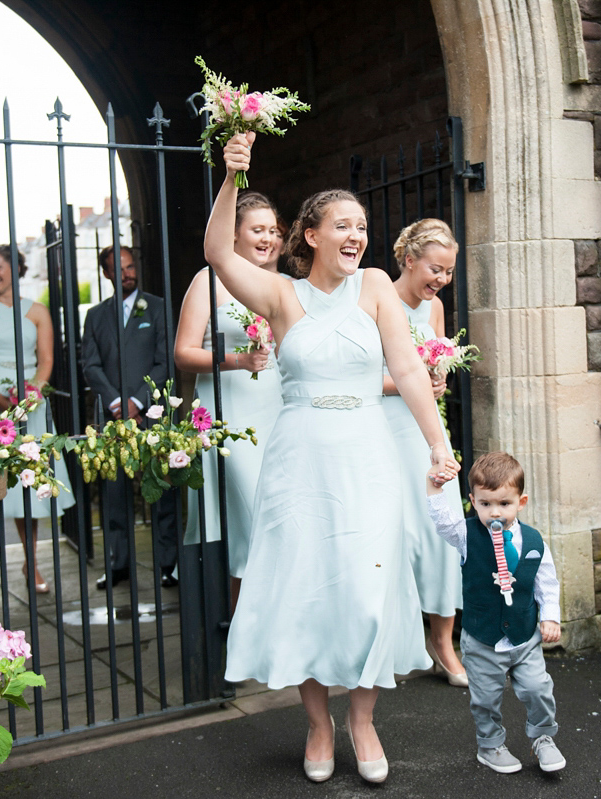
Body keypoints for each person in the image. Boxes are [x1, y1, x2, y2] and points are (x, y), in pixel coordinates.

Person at [205, 132, 459, 784]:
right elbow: (214, 253)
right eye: (342, 224)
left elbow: (405, 366)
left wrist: (438, 445)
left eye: (363, 226)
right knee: (308, 591)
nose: (356, 235)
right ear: (311, 235)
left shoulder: (375, 285)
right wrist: (232, 175)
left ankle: (363, 718)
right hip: (299, 461)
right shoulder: (280, 296)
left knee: (370, 588)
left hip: (368, 456)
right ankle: (318, 723)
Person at [175, 192, 285, 608]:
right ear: (233, 235)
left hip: (278, 411)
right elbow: (183, 353)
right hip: (230, 416)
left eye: (274, 231)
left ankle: (264, 626)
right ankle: (247, 629)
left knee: (278, 520)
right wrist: (239, 359)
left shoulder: (282, 285)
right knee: (254, 520)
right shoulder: (208, 282)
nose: (269, 239)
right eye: (258, 230)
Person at [426, 451, 565, 773]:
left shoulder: (533, 540)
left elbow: (546, 582)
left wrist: (550, 617)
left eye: (504, 503)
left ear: (521, 501)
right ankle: (490, 745)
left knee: (537, 688)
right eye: (485, 504)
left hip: (524, 636)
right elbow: (442, 521)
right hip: (483, 638)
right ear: (473, 501)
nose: (494, 512)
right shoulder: (466, 535)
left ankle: (543, 738)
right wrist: (433, 486)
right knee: (485, 699)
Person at [0, 243, 75, 606]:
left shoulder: (38, 311)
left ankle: (32, 563)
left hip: (30, 405)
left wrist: (32, 393)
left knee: (28, 485)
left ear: (16, 268)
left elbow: (46, 360)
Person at [384, 219, 468, 686]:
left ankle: (443, 642)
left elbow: (435, 367)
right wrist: (409, 384)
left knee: (442, 531)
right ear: (409, 259)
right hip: (386, 429)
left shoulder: (433, 308)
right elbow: (358, 377)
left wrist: (437, 380)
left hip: (426, 432)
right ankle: (397, 642)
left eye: (448, 272)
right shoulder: (376, 302)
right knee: (399, 534)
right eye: (436, 269)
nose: (441, 280)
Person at [82, 245, 179, 591]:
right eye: (117, 269)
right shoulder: (95, 315)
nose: (126, 274)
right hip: (112, 416)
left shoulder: (158, 307)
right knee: (114, 492)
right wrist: (115, 403)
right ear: (106, 274)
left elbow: (165, 360)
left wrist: (138, 400)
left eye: (129, 266)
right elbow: (90, 364)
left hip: (151, 411)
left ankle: (169, 565)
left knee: (162, 489)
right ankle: (118, 565)